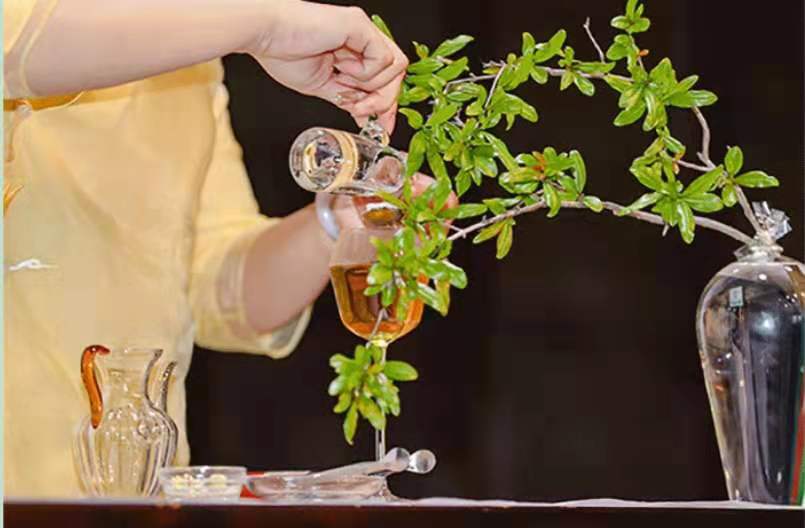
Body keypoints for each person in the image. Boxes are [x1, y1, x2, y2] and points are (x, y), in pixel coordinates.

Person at [2, 0, 427, 497]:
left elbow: (220, 288)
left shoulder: (193, 64)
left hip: (133, 490)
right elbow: (19, 45)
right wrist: (267, 25)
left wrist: (335, 223)